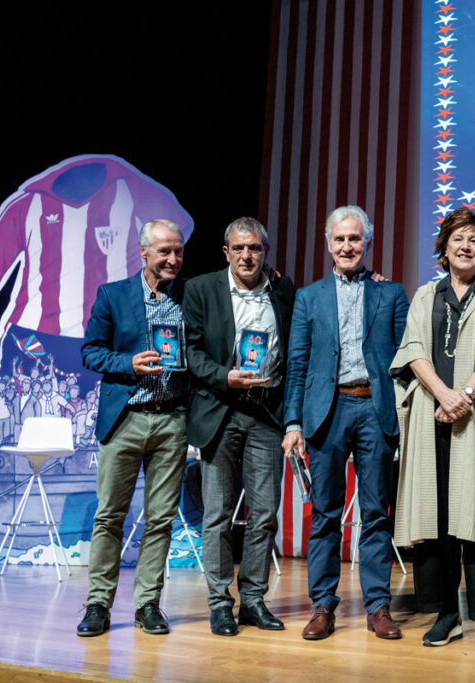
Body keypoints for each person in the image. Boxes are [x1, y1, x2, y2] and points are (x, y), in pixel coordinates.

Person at [390, 207, 475, 651]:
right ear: (443, 247)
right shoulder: (426, 295)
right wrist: (443, 395)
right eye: (457, 238)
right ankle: (447, 612)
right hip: (432, 420)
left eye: (474, 240)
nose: (465, 247)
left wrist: (462, 396)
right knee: (438, 520)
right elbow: (412, 351)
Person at [282, 205, 409, 641]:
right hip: (326, 412)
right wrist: (293, 421)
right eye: (340, 239)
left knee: (375, 513)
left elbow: (404, 359)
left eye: (355, 239)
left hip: (375, 408)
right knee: (325, 514)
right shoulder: (308, 296)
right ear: (328, 243)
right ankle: (323, 605)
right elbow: (297, 364)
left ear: (367, 243)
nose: (347, 246)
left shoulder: (391, 293)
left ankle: (377, 605)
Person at [76, 219, 189, 637]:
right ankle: (98, 605)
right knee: (109, 517)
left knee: (160, 519)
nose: (173, 259)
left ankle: (148, 604)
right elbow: (90, 352)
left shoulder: (190, 295)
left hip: (172, 419)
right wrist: (128, 364)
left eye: (178, 251)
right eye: (164, 252)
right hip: (125, 418)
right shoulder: (113, 295)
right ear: (143, 252)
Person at [184, 217, 295, 637]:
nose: (247, 256)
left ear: (265, 251)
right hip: (220, 411)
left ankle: (253, 600)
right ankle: (219, 603)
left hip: (266, 415)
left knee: (265, 513)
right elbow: (191, 353)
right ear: (226, 251)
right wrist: (222, 376)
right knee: (216, 515)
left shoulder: (283, 290)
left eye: (255, 248)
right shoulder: (201, 289)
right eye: (239, 248)